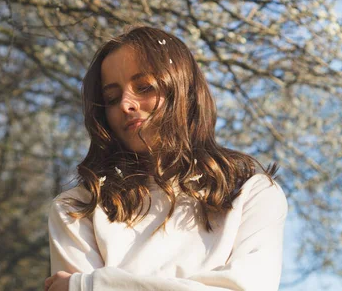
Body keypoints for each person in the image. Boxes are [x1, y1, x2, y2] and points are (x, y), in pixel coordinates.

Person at [44, 25, 288, 291]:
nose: (126, 104)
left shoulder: (251, 193)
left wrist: (91, 286)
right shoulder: (78, 209)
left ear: (184, 90)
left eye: (144, 87)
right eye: (111, 98)